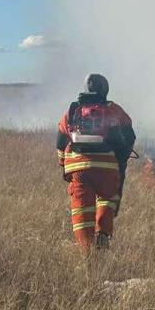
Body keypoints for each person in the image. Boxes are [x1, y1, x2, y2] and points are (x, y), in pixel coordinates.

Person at [55, 74, 136, 251]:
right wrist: (121, 161)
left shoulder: (72, 110)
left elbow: (60, 141)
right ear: (105, 90)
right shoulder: (114, 109)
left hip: (78, 169)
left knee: (81, 209)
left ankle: (86, 252)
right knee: (108, 198)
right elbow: (130, 136)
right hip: (108, 168)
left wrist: (63, 164)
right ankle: (103, 234)